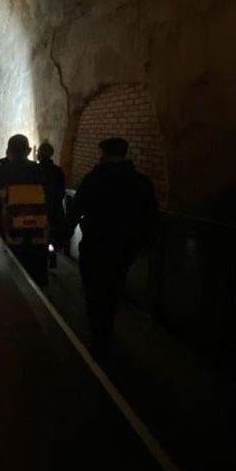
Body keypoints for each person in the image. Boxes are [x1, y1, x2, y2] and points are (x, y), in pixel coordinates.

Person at [67, 137, 158, 356]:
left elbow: (76, 209)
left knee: (93, 288)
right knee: (113, 285)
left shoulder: (94, 179)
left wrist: (63, 236)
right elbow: (150, 215)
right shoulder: (142, 182)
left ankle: (99, 336)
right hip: (126, 246)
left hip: (96, 242)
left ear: (104, 153)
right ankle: (106, 327)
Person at [0, 134, 57, 286]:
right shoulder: (41, 172)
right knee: (37, 277)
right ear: (29, 150)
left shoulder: (1, 173)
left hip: (10, 235)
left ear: (8, 151)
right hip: (38, 235)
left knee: (11, 278)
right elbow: (54, 202)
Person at [36, 141, 66, 250]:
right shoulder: (58, 171)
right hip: (55, 212)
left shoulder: (35, 170)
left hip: (39, 212)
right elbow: (62, 191)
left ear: (40, 154)